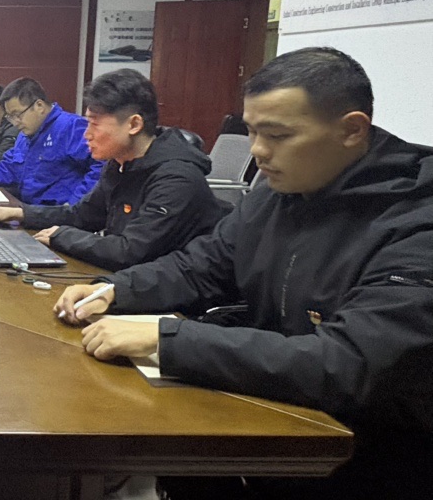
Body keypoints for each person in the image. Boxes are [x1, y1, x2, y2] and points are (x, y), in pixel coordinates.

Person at [54, 48, 433, 498]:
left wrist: (168, 339)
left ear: (351, 130)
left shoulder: (415, 221)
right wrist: (115, 289)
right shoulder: (281, 189)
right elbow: (204, 264)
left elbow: (348, 364)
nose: (258, 151)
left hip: (367, 456)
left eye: (278, 135)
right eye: (252, 131)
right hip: (275, 411)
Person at [0, 69, 225, 271]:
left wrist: (62, 236)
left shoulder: (176, 178)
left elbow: (131, 251)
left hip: (176, 304)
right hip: (130, 281)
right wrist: (20, 213)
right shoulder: (120, 164)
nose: (87, 134)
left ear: (134, 124)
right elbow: (82, 215)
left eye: (95, 123)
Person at [0, 77, 102, 206]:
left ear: (39, 106)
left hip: (57, 215)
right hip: (29, 211)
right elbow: (7, 168)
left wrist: (75, 205)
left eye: (18, 115)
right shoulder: (25, 135)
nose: (15, 122)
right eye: (10, 117)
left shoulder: (70, 127)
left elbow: (101, 167)